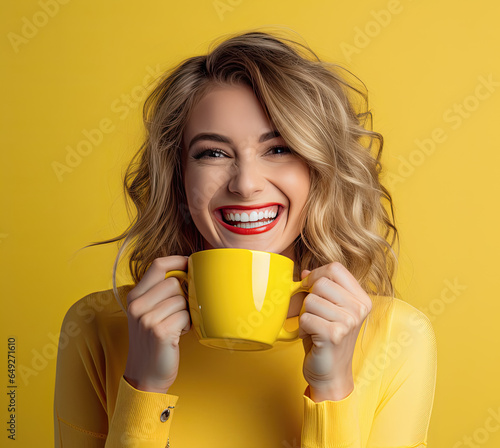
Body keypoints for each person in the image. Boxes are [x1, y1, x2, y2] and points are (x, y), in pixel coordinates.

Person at [53, 28, 437, 447]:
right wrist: (143, 386)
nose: (247, 184)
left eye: (279, 148)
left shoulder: (397, 337)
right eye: (213, 153)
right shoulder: (97, 327)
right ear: (180, 178)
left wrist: (332, 389)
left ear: (319, 171)